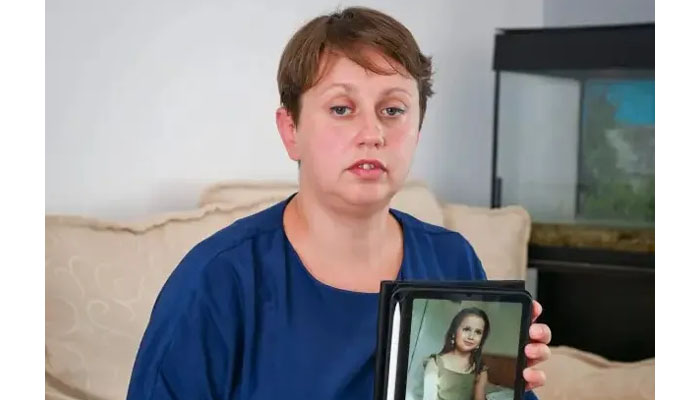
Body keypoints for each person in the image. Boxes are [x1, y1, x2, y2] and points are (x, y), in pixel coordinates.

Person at [126, 6, 551, 400]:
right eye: (342, 108)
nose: (372, 133)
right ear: (290, 129)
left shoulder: (452, 259)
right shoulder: (218, 277)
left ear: (418, 129)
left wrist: (508, 385)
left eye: (393, 110)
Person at [423, 308, 491, 400]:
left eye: (478, 332)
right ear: (454, 332)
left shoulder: (480, 370)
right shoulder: (435, 363)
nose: (471, 336)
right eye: (466, 329)